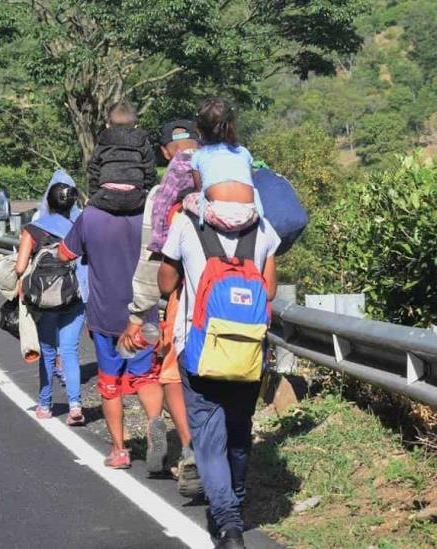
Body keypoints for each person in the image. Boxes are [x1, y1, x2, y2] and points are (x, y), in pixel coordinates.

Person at [158, 107, 280, 549]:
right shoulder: (263, 229)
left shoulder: (188, 222)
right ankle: (237, 500)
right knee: (239, 430)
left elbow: (165, 281)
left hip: (199, 348)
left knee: (208, 438)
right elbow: (267, 291)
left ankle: (227, 523)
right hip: (247, 349)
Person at [118, 119, 202, 496]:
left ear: (166, 152)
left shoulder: (162, 197)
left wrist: (138, 314)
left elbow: (153, 264)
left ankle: (191, 452)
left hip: (186, 302)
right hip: (240, 303)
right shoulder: (233, 188)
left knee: (172, 375)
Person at [58, 197, 167, 471]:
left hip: (105, 314)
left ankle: (119, 452)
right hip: (144, 313)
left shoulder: (90, 215)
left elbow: (64, 253)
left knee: (110, 385)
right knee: (146, 377)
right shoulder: (150, 212)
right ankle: (155, 424)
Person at [14, 170, 87, 426]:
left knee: (47, 351)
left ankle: (45, 404)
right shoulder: (81, 226)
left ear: (48, 199)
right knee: (69, 351)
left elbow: (21, 267)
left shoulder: (33, 229)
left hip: (44, 299)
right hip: (75, 297)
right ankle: (75, 405)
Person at [190, 97, 263, 226]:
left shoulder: (198, 156)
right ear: (232, 126)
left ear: (199, 129)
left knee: (189, 199)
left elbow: (199, 190)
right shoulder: (244, 152)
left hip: (218, 215)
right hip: (249, 215)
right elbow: (251, 180)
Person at [87, 101, 157, 213]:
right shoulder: (143, 142)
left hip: (106, 197)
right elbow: (150, 170)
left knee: (88, 209)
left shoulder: (103, 141)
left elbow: (94, 170)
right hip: (136, 198)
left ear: (107, 125)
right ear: (135, 126)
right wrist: (147, 190)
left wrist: (93, 195)